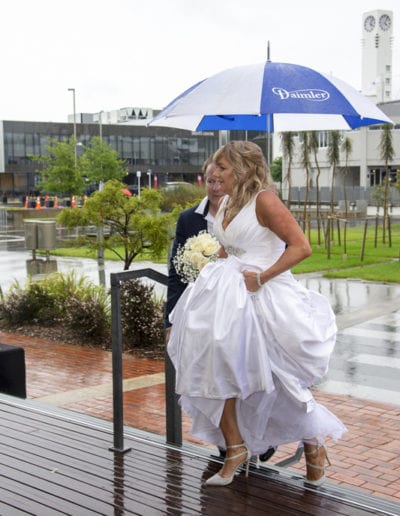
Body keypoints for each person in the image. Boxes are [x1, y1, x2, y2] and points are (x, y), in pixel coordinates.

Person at [167, 140, 347, 487]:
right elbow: (229, 245)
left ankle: (313, 445)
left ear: (242, 168)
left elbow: (301, 247)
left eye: (221, 167)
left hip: (264, 297)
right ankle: (235, 447)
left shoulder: (265, 200)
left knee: (280, 380)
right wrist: (208, 263)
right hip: (226, 298)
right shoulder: (228, 202)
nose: (214, 173)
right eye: (214, 167)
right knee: (216, 370)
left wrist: (262, 276)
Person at [165, 158, 276, 463]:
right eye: (209, 181)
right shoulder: (189, 219)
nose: (214, 186)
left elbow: (276, 245)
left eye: (219, 179)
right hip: (208, 308)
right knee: (214, 373)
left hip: (250, 301)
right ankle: (229, 444)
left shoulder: (252, 207)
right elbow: (176, 273)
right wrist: (170, 318)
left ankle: (258, 443)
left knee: (249, 372)